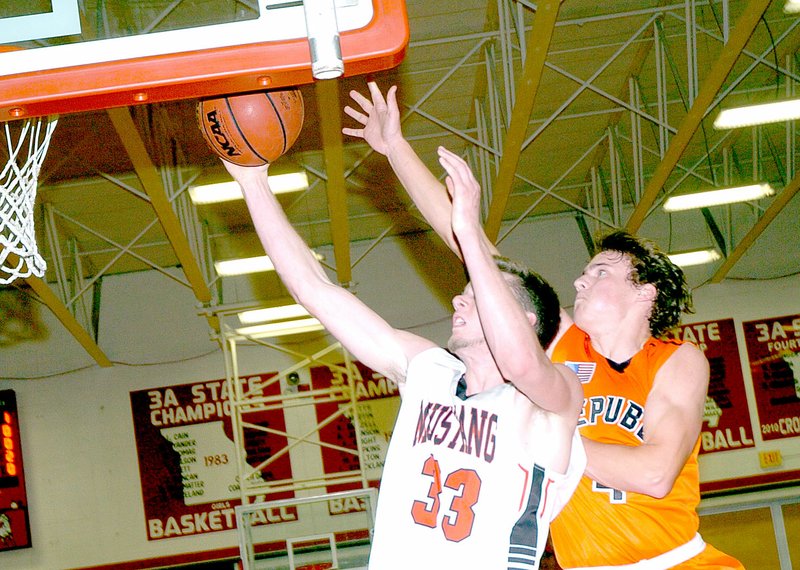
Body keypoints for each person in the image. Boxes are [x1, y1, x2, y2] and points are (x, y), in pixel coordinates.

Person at [343, 81, 744, 569]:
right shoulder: (561, 346)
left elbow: (657, 474)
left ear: (645, 292)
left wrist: (536, 437)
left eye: (600, 272)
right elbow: (469, 246)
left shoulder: (676, 359)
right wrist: (396, 149)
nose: (579, 279)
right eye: (583, 271)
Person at [221, 147, 585, 569]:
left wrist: (468, 234)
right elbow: (314, 290)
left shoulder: (550, 399)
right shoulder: (427, 368)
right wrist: (252, 182)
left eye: (478, 296)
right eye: (464, 294)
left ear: (525, 319)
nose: (458, 301)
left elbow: (521, 363)